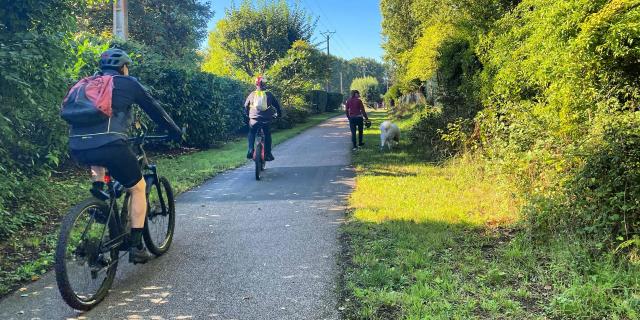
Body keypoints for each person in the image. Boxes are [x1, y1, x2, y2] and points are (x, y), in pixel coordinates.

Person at [66, 48, 182, 264]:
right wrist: (174, 131)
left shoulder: (87, 84)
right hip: (111, 144)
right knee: (137, 187)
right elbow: (155, 109)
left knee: (98, 156)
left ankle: (99, 195)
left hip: (78, 146)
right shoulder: (128, 83)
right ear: (123, 67)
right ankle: (137, 246)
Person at [244, 76, 282, 161]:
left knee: (252, 132)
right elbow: (277, 106)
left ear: (256, 84)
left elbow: (245, 106)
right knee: (267, 134)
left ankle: (250, 149)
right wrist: (279, 114)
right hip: (266, 120)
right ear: (265, 84)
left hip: (254, 120)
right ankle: (268, 154)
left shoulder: (252, 94)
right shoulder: (269, 94)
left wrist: (247, 115)